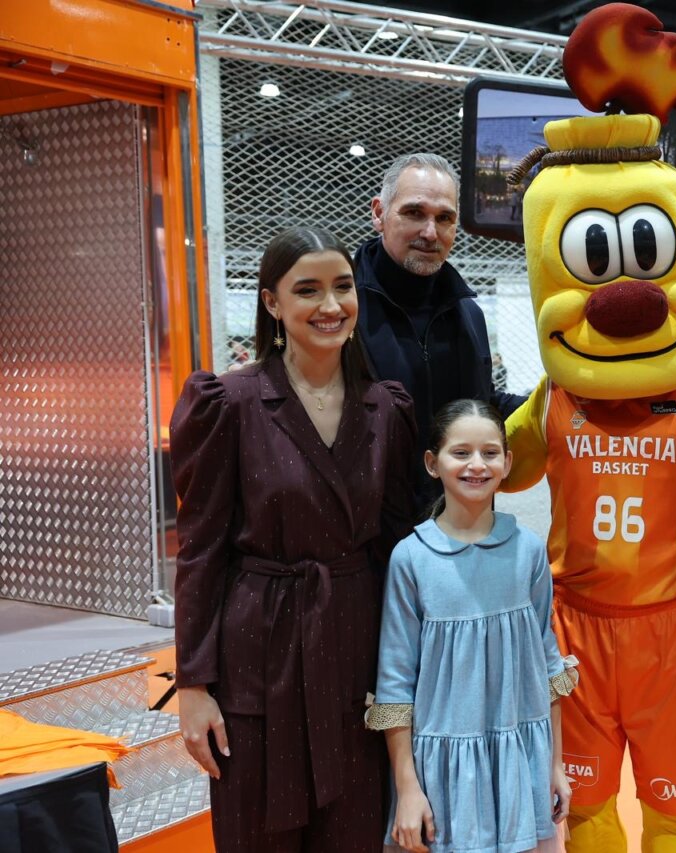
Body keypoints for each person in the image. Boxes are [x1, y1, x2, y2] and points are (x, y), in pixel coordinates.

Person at [170, 226, 416, 851]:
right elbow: (200, 547)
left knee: (354, 828)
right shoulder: (230, 402)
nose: (331, 306)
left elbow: (396, 544)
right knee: (258, 831)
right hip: (259, 648)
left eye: (342, 287)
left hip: (357, 641)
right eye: (307, 290)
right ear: (272, 303)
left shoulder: (384, 409)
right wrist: (194, 686)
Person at [367, 399, 577, 853]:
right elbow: (395, 680)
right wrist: (407, 787)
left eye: (489, 453)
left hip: (522, 759)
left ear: (507, 462)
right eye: (460, 453)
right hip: (443, 773)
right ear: (432, 463)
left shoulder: (527, 550)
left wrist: (556, 765)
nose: (476, 465)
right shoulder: (412, 558)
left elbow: (547, 664)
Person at [353, 152, 525, 516]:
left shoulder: (468, 313)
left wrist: (556, 403)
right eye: (414, 213)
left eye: (444, 218)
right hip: (369, 541)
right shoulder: (341, 309)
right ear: (378, 213)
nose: (430, 232)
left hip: (460, 531)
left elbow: (480, 402)